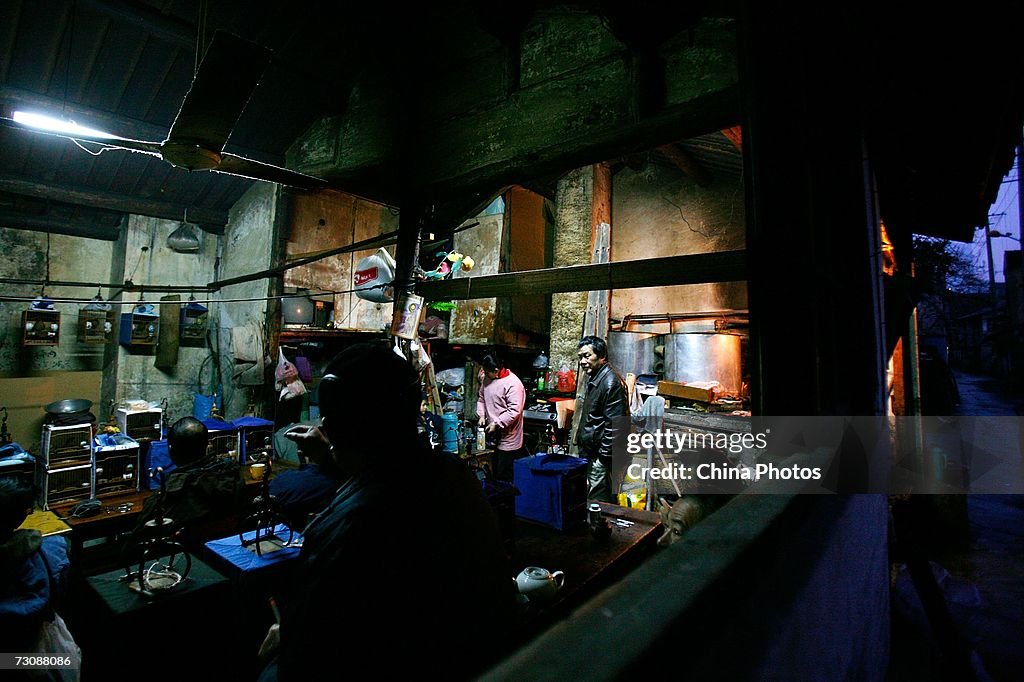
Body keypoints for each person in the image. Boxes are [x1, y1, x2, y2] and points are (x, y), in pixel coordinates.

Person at [259, 342, 517, 681]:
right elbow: (387, 475)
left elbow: (312, 658)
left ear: (332, 425)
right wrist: (330, 455)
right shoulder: (454, 475)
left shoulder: (349, 528)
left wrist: (286, 637)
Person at [0, 477, 80, 678]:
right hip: (35, 646)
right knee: (63, 663)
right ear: (23, 514)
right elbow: (59, 590)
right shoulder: (50, 550)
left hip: (7, 648)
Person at [133, 417, 243, 545]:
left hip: (185, 557)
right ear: (207, 446)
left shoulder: (171, 493)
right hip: (226, 548)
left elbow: (137, 540)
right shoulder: (231, 474)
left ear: (170, 449)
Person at [576, 335, 628, 503]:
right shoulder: (597, 377)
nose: (582, 362)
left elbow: (615, 426)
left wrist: (602, 459)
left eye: (586, 356)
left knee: (597, 501)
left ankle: (600, 528)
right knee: (592, 496)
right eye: (580, 357)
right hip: (592, 453)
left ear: (602, 356)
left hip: (600, 455)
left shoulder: (610, 382)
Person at [476, 352, 528, 481]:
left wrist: (496, 423)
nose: (484, 374)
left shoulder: (513, 384)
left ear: (496, 370)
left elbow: (514, 411)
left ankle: (505, 499)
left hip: (508, 435)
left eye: (487, 371)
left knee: (504, 473)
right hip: (491, 431)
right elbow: (481, 398)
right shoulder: (486, 378)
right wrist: (482, 415)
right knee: (490, 469)